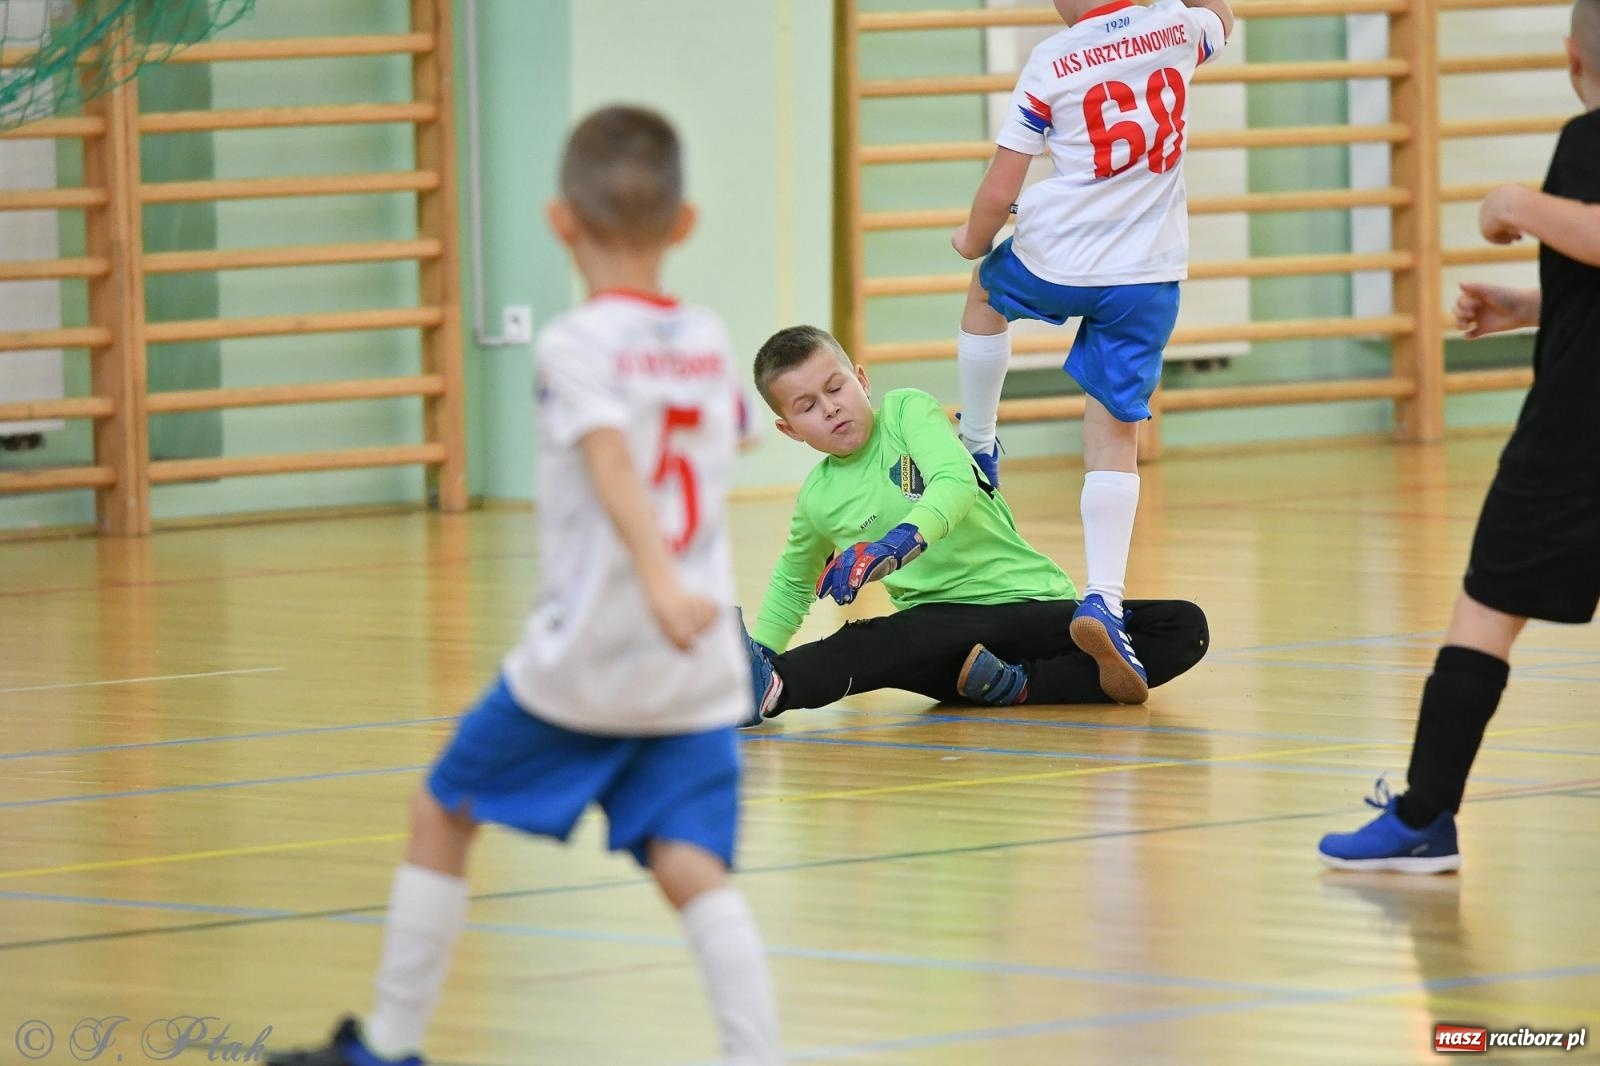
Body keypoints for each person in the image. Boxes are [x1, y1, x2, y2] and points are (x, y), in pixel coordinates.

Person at [267, 107, 781, 1065]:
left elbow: (615, 463)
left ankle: (390, 1044)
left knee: (442, 809)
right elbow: (731, 436)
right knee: (690, 865)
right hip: (698, 664)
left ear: (558, 221)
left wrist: (659, 578)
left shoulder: (575, 344)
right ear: (686, 224)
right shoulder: (708, 340)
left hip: (592, 653)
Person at [1318, 0, 1600, 873]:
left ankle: (1424, 814)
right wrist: (1528, 306)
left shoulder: (1587, 137)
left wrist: (1519, 201)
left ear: (1570, 57)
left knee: (1486, 608)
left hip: (1574, 435)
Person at [948, 0, 1233, 704]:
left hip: (1061, 260)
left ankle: (980, 443)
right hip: (1148, 276)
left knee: (986, 296)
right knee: (1115, 435)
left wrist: (973, 241)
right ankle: (1103, 596)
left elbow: (1001, 185)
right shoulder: (1175, 29)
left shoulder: (1053, 60)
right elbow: (1221, 16)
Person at [738, 325, 1209, 724]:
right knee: (878, 641)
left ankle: (1022, 685)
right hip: (945, 640)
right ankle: (767, 683)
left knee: (1182, 626)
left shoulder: (906, 412)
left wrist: (899, 543)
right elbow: (792, 584)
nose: (830, 407)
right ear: (790, 430)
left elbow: (954, 480)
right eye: (806, 406)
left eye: (835, 387)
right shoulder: (818, 499)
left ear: (861, 380)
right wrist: (761, 650)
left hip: (1028, 603)